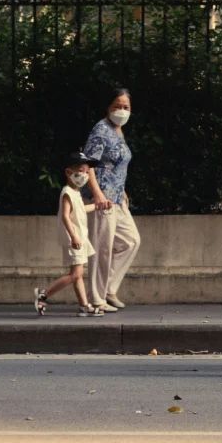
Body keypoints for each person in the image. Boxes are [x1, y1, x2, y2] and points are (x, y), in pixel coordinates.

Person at [82, 88, 141, 313]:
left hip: (117, 197)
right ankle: (96, 299)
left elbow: (117, 165)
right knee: (102, 249)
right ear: (108, 107)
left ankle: (107, 288)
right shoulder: (101, 130)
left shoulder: (118, 131)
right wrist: (97, 194)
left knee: (131, 241)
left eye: (126, 107)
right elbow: (88, 164)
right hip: (102, 198)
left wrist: (122, 189)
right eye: (118, 106)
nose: (122, 111)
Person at [34, 152, 105, 317]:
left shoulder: (75, 192)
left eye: (87, 172)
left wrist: (97, 206)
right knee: (76, 274)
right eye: (81, 171)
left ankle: (84, 306)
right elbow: (65, 216)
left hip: (79, 238)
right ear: (68, 172)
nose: (85, 175)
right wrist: (73, 236)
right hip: (74, 239)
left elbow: (80, 210)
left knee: (78, 275)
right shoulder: (67, 192)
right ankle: (43, 295)